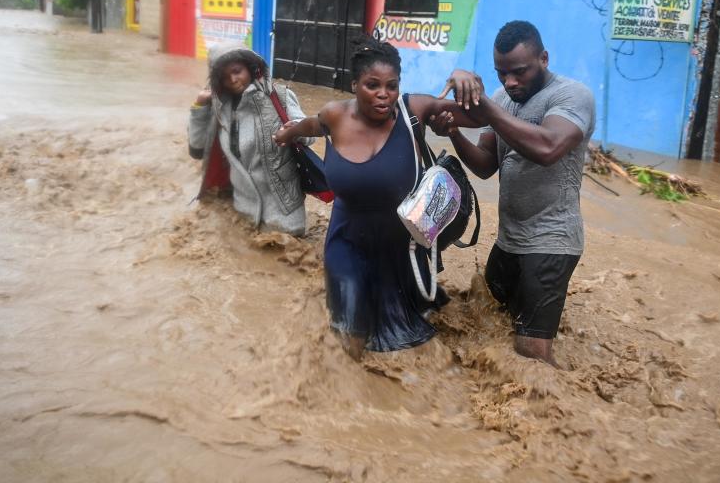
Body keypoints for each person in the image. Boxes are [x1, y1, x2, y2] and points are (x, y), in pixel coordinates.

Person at [273, 36, 485, 360]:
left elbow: (477, 117)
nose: (384, 94)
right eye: (373, 85)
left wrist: (467, 80)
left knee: (407, 342)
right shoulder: (335, 115)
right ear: (355, 84)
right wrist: (286, 134)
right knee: (351, 331)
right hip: (347, 241)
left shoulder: (414, 110)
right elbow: (309, 126)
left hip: (401, 248)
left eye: (392, 85)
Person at [432, 20, 595, 368]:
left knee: (531, 357)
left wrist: (487, 108)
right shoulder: (504, 98)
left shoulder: (571, 96)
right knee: (486, 324)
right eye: (501, 73)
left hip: (552, 242)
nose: (509, 82)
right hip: (508, 242)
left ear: (544, 59)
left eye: (519, 72)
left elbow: (548, 147)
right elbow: (487, 164)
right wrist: (454, 133)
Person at [188, 45, 310, 235]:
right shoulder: (220, 109)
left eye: (237, 72)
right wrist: (199, 107)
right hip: (242, 214)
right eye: (225, 77)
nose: (233, 80)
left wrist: (294, 130)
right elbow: (196, 150)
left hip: (283, 216)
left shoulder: (279, 97)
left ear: (250, 67)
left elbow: (309, 136)